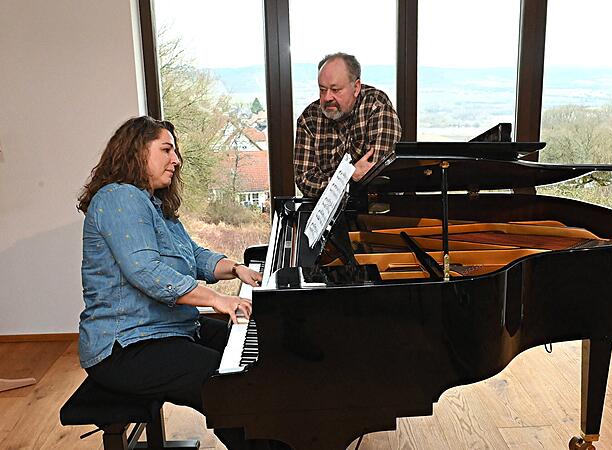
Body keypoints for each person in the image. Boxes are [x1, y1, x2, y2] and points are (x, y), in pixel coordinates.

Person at [76, 116, 278, 449]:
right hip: (125, 347)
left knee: (251, 355)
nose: (176, 160)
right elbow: (147, 271)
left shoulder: (152, 202)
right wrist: (216, 300)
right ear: (136, 151)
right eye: (166, 150)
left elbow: (192, 255)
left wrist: (237, 269)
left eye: (176, 151)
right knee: (225, 384)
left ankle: (280, 438)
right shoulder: (118, 198)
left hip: (167, 329)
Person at [294, 52, 402, 197]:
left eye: (335, 90)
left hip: (376, 209)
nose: (327, 97)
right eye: (322, 89)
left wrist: (332, 182)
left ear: (356, 87)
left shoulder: (376, 105)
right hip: (326, 213)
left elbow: (376, 173)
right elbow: (305, 180)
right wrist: (348, 176)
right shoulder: (309, 118)